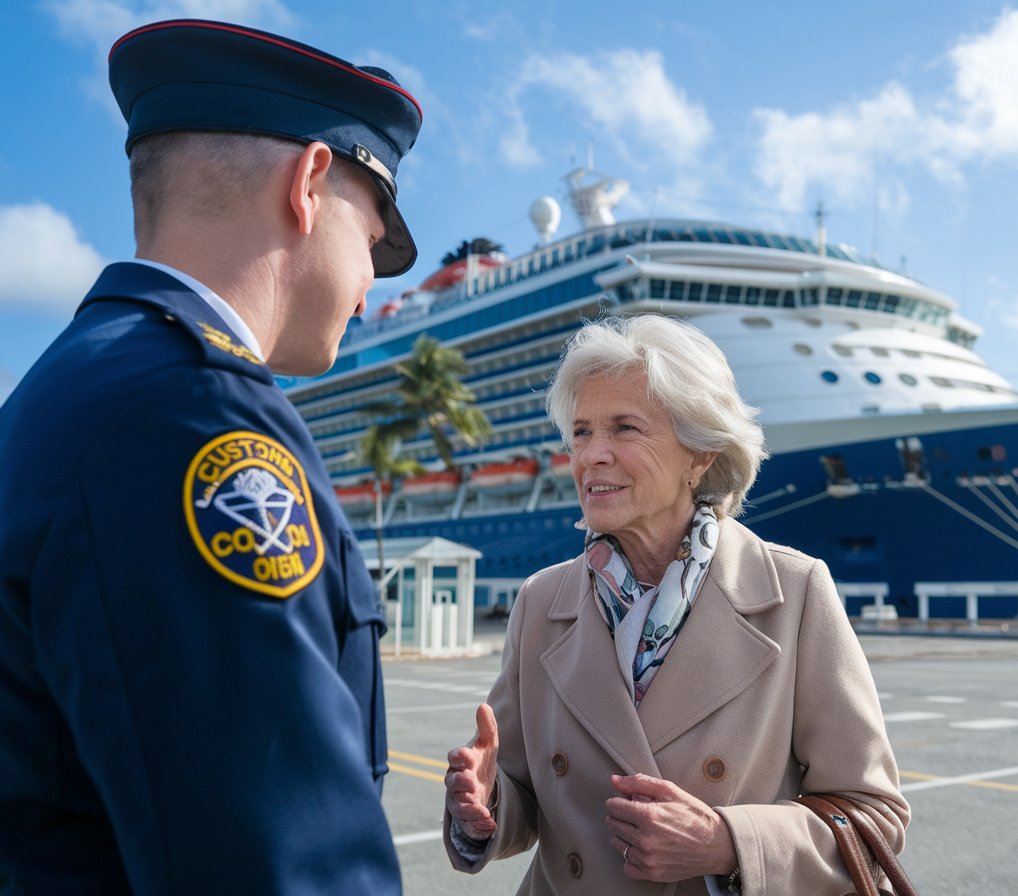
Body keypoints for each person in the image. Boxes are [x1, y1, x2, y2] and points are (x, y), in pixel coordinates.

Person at [0, 19, 422, 893]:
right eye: (375, 234)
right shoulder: (192, 413)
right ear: (310, 182)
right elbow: (275, 860)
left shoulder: (70, 383)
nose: (373, 280)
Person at [443, 314, 910, 894]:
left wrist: (726, 843)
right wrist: (485, 802)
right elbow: (526, 796)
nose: (592, 455)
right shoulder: (541, 602)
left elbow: (875, 817)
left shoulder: (795, 593)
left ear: (701, 455)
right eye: (582, 432)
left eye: (625, 428)